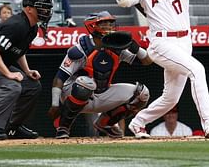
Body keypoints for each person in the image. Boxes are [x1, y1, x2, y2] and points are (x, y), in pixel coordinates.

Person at [94, 0, 209, 139]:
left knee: (170, 98)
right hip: (161, 42)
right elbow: (123, 1)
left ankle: (138, 123)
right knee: (197, 70)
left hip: (184, 40)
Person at [50, 11, 151, 139]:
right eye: (104, 24)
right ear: (93, 26)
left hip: (102, 92)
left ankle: (105, 124)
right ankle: (63, 127)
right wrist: (55, 104)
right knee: (86, 83)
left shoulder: (117, 46)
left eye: (111, 23)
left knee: (142, 93)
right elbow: (59, 78)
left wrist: (135, 46)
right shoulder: (81, 48)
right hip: (74, 93)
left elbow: (147, 61)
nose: (109, 27)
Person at [0, 0, 53, 140]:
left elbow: (19, 51)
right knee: (12, 85)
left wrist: (27, 71)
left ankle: (13, 128)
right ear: (29, 8)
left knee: (32, 86)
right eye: (42, 8)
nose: (46, 12)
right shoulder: (17, 24)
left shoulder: (33, 28)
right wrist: (9, 74)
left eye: (48, 9)